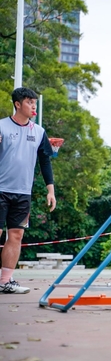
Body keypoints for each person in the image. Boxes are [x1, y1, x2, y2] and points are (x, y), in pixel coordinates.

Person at [0, 88, 56, 294]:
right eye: (29, 102)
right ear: (17, 104)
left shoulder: (39, 132)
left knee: (16, 235)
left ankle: (5, 281)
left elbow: (45, 162)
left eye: (35, 102)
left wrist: (51, 190)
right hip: (0, 190)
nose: (34, 106)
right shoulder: (1, 126)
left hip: (23, 193)